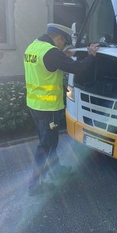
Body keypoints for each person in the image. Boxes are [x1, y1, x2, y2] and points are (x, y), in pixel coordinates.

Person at [24, 23, 99, 195]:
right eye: (63, 42)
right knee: (46, 146)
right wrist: (91, 56)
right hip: (47, 107)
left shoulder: (33, 46)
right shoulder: (51, 53)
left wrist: (62, 54)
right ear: (57, 38)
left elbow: (47, 65)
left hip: (34, 105)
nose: (63, 46)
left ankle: (56, 171)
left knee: (49, 143)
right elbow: (77, 68)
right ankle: (35, 185)